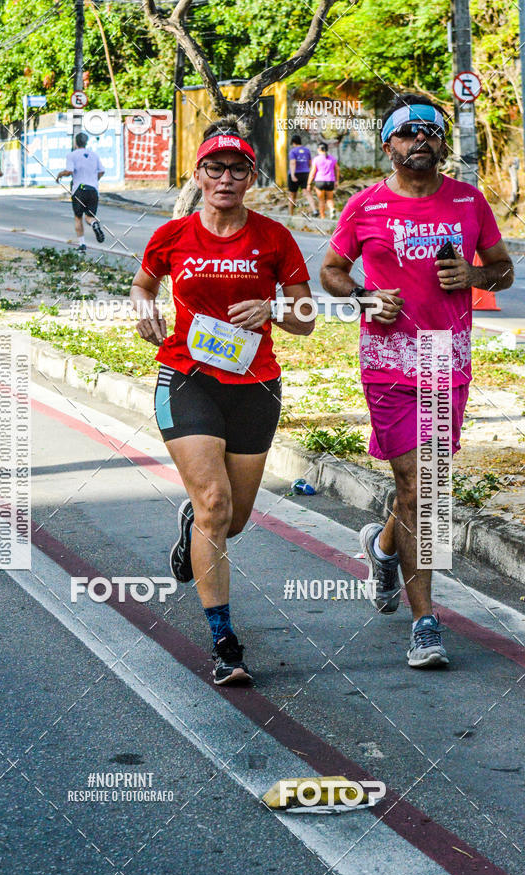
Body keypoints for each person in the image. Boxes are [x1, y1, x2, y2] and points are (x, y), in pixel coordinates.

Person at [320, 93, 514, 669]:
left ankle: (382, 549)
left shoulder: (468, 201)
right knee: (421, 489)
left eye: (432, 130)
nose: (421, 139)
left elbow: (503, 269)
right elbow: (331, 270)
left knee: (419, 489)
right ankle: (426, 622)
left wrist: (477, 274)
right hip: (387, 359)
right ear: (389, 146)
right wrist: (361, 296)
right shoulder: (366, 205)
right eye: (408, 132)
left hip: (444, 355)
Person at [133, 118, 314, 685]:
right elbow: (143, 284)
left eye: (239, 169)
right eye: (216, 167)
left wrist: (275, 312)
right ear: (199, 173)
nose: (227, 178)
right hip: (186, 376)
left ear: (251, 177)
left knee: (229, 520)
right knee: (214, 501)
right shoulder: (172, 235)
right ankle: (224, 641)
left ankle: (194, 527)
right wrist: (144, 307)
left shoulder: (273, 237)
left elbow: (307, 318)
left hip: (254, 385)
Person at [56, 132, 105, 254]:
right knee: (89, 217)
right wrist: (94, 180)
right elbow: (102, 171)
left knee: (78, 218)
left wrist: (59, 175)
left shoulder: (72, 155)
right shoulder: (94, 155)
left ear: (75, 142)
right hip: (93, 189)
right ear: (86, 142)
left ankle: (82, 244)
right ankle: (94, 224)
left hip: (79, 189)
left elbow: (69, 171)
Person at [307, 142, 339, 219]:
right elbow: (337, 169)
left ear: (319, 149)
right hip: (330, 181)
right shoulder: (332, 158)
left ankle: (323, 217)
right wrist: (336, 180)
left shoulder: (316, 159)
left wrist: (309, 183)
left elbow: (313, 172)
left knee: (321, 200)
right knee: (330, 199)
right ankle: (332, 209)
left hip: (319, 181)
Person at [288, 135, 317, 217]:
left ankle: (290, 215)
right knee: (308, 193)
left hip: (295, 173)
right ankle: (314, 210)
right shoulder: (307, 150)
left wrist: (293, 175)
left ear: (293, 143)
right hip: (305, 173)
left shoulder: (293, 151)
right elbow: (310, 163)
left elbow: (293, 163)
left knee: (292, 195)